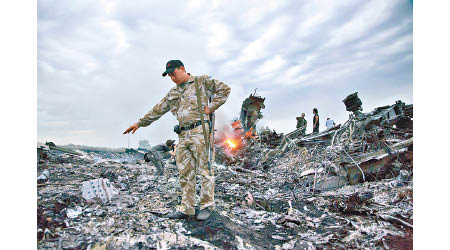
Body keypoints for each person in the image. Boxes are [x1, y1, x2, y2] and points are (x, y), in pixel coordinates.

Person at [123, 60, 231, 221]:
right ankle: (187, 208)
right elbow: (158, 109)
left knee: (205, 170)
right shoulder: (173, 93)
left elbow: (225, 89)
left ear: (182, 69)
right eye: (169, 76)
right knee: (185, 172)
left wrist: (211, 107)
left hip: (200, 132)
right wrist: (139, 123)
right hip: (183, 135)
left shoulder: (201, 81)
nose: (172, 78)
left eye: (174, 73)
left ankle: (207, 205)